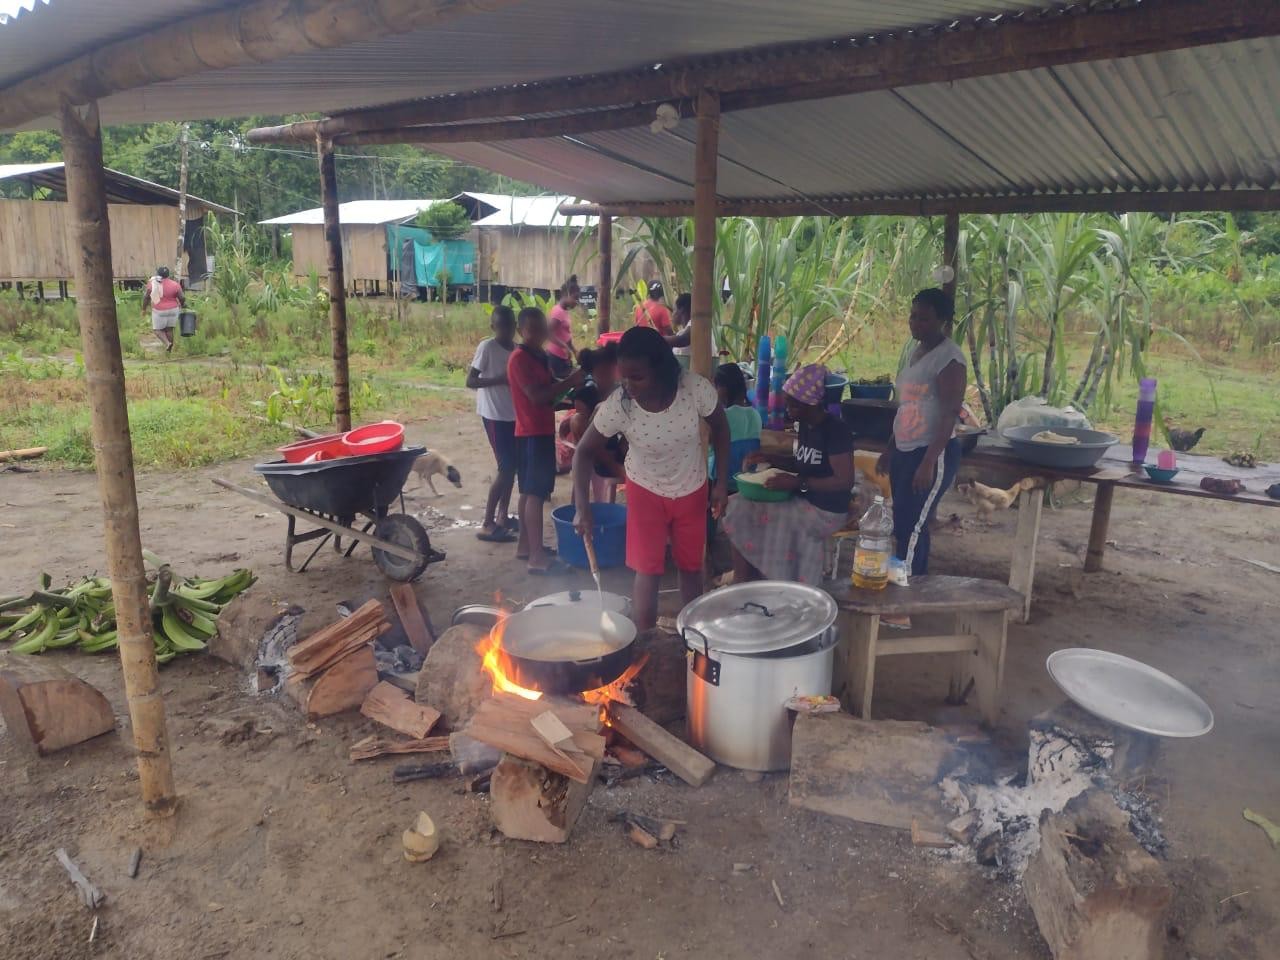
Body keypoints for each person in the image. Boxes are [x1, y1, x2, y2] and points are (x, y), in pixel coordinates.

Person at [572, 327, 729, 630]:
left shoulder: (695, 390)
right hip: (645, 491)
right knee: (648, 570)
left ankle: (692, 638)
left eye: (637, 377)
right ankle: (645, 643)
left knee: (691, 567)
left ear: (662, 370)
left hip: (692, 488)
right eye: (624, 376)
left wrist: (721, 483)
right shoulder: (619, 406)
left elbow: (721, 430)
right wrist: (582, 506)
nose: (628, 385)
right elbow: (582, 453)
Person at [724, 363, 854, 585]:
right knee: (737, 504)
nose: (788, 411)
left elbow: (844, 481)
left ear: (811, 403)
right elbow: (804, 462)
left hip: (826, 510)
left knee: (775, 520)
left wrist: (797, 483)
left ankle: (781, 583)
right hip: (804, 498)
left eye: (793, 406)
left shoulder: (835, 430)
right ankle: (744, 577)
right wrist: (770, 458)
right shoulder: (805, 425)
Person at [876, 289, 967, 575]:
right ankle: (903, 582)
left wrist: (928, 462)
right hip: (905, 448)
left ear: (942, 321)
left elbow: (949, 413)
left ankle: (907, 593)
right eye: (913, 316)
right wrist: (890, 448)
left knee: (913, 524)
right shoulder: (916, 352)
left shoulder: (949, 360)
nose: (915, 323)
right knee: (901, 519)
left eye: (924, 318)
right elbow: (907, 406)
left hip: (930, 452)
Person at [508, 307, 586, 573]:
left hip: (540, 429)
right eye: (532, 329)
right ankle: (536, 557)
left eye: (541, 328)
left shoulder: (539, 355)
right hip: (530, 433)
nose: (538, 334)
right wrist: (572, 381)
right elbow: (538, 396)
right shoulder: (519, 359)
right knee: (535, 494)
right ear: (521, 331)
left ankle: (526, 547)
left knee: (529, 492)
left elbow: (551, 390)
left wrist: (572, 388)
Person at [466, 305, 518, 543]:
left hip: (514, 416)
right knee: (505, 468)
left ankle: (503, 517)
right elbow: (471, 381)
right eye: (502, 326)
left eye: (511, 325)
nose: (508, 330)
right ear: (493, 327)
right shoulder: (487, 347)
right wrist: (499, 379)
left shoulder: (517, 350)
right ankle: (487, 523)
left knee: (512, 469)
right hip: (494, 415)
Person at [709, 362, 761, 492]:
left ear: (724, 388)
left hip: (720, 481)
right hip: (746, 479)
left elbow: (707, 441)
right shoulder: (755, 414)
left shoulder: (722, 417)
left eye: (715, 387)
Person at [141, 266, 184, 352]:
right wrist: (181, 305)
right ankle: (169, 351)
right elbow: (182, 297)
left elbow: (146, 297)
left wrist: (144, 309)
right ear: (168, 275)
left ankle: (167, 344)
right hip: (173, 309)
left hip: (159, 310)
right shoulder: (175, 284)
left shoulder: (153, 284)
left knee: (157, 330)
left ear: (158, 274)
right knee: (169, 329)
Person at [546, 275, 579, 378]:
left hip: (563, 356)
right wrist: (564, 347)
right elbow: (548, 333)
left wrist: (574, 350)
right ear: (566, 294)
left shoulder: (564, 311)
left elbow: (565, 335)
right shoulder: (558, 312)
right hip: (555, 357)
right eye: (575, 298)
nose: (576, 302)